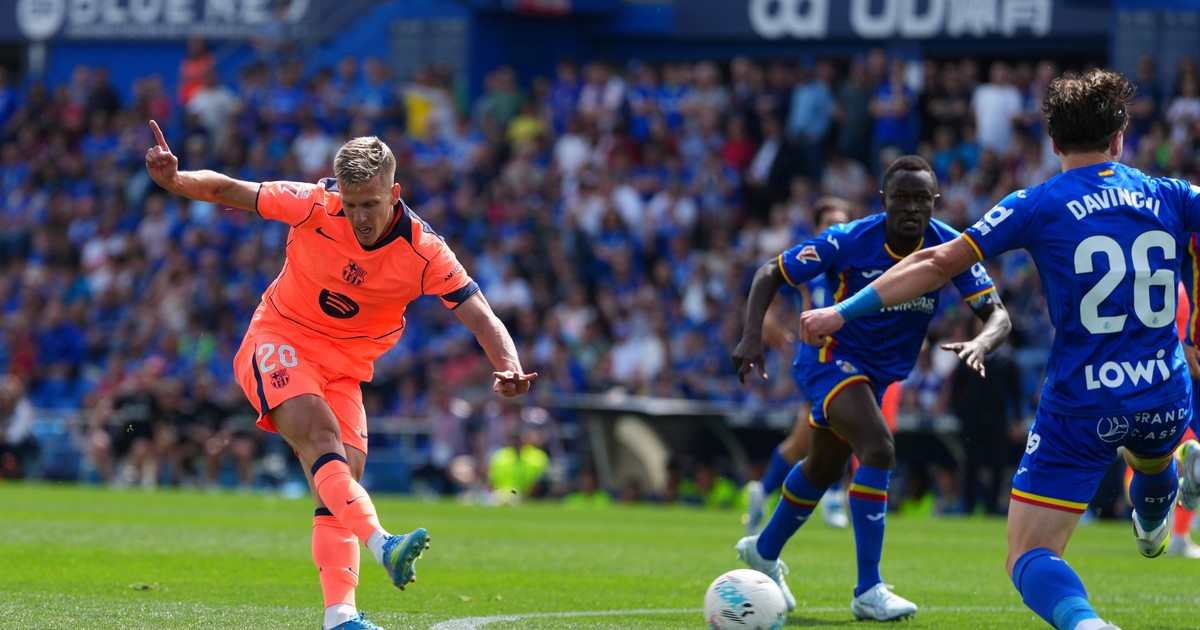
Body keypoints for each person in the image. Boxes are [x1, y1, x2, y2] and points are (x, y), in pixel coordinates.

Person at [801, 69, 1200, 630]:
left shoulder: (1036, 203)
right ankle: (1160, 502)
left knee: (1028, 553)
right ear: (1119, 139)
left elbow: (936, 262)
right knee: (1151, 453)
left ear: (1054, 142)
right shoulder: (1173, 194)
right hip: (1165, 391)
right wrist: (1195, 328)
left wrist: (841, 311)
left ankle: (1087, 624)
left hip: (1083, 403)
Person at [145, 120, 537, 630]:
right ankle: (384, 544)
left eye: (370, 205)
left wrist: (508, 364)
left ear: (394, 193)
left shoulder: (424, 251)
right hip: (279, 339)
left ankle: (340, 617)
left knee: (339, 484)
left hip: (346, 370)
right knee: (320, 438)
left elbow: (481, 315)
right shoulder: (314, 203)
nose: (359, 218)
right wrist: (176, 181)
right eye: (350, 205)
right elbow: (227, 190)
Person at [732, 155, 1011, 621]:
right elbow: (770, 272)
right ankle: (868, 589)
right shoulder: (847, 239)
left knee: (822, 468)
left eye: (921, 198)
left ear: (935, 201)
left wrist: (982, 341)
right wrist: (750, 336)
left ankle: (763, 551)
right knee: (878, 448)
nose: (911, 207)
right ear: (883, 201)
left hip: (877, 375)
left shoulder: (950, 248)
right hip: (830, 359)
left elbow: (998, 315)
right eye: (901, 197)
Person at [745, 197, 853, 534]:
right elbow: (772, 291)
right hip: (816, 360)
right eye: (829, 223)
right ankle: (832, 495)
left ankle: (762, 492)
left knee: (802, 440)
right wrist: (770, 326)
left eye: (842, 222)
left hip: (849, 358)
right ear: (817, 229)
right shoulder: (809, 264)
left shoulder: (858, 263)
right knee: (844, 416)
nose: (836, 228)